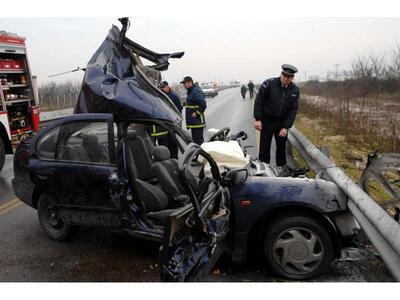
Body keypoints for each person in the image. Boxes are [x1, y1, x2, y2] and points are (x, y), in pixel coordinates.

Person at [254, 64, 300, 176]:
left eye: (289, 77)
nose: (286, 78)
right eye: (284, 75)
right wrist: (258, 119)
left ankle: (281, 168)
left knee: (281, 147)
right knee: (265, 146)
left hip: (282, 123)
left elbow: (293, 110)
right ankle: (264, 168)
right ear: (281, 74)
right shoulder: (269, 84)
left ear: (292, 77)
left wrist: (286, 127)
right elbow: (259, 101)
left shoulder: (295, 90)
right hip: (267, 121)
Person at [149, 81, 182, 158]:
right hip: (164, 125)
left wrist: (177, 122)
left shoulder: (173, 96)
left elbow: (178, 111)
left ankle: (174, 157)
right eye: (161, 88)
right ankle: (169, 157)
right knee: (166, 144)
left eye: (164, 87)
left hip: (172, 123)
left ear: (168, 87)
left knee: (173, 142)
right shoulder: (160, 96)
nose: (162, 89)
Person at [181, 76, 207, 145]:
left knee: (199, 143)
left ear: (190, 83)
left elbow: (203, 104)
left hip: (197, 122)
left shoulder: (195, 91)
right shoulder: (191, 91)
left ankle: (201, 155)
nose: (184, 85)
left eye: (185, 83)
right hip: (194, 123)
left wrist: (197, 113)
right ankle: (199, 155)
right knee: (196, 142)